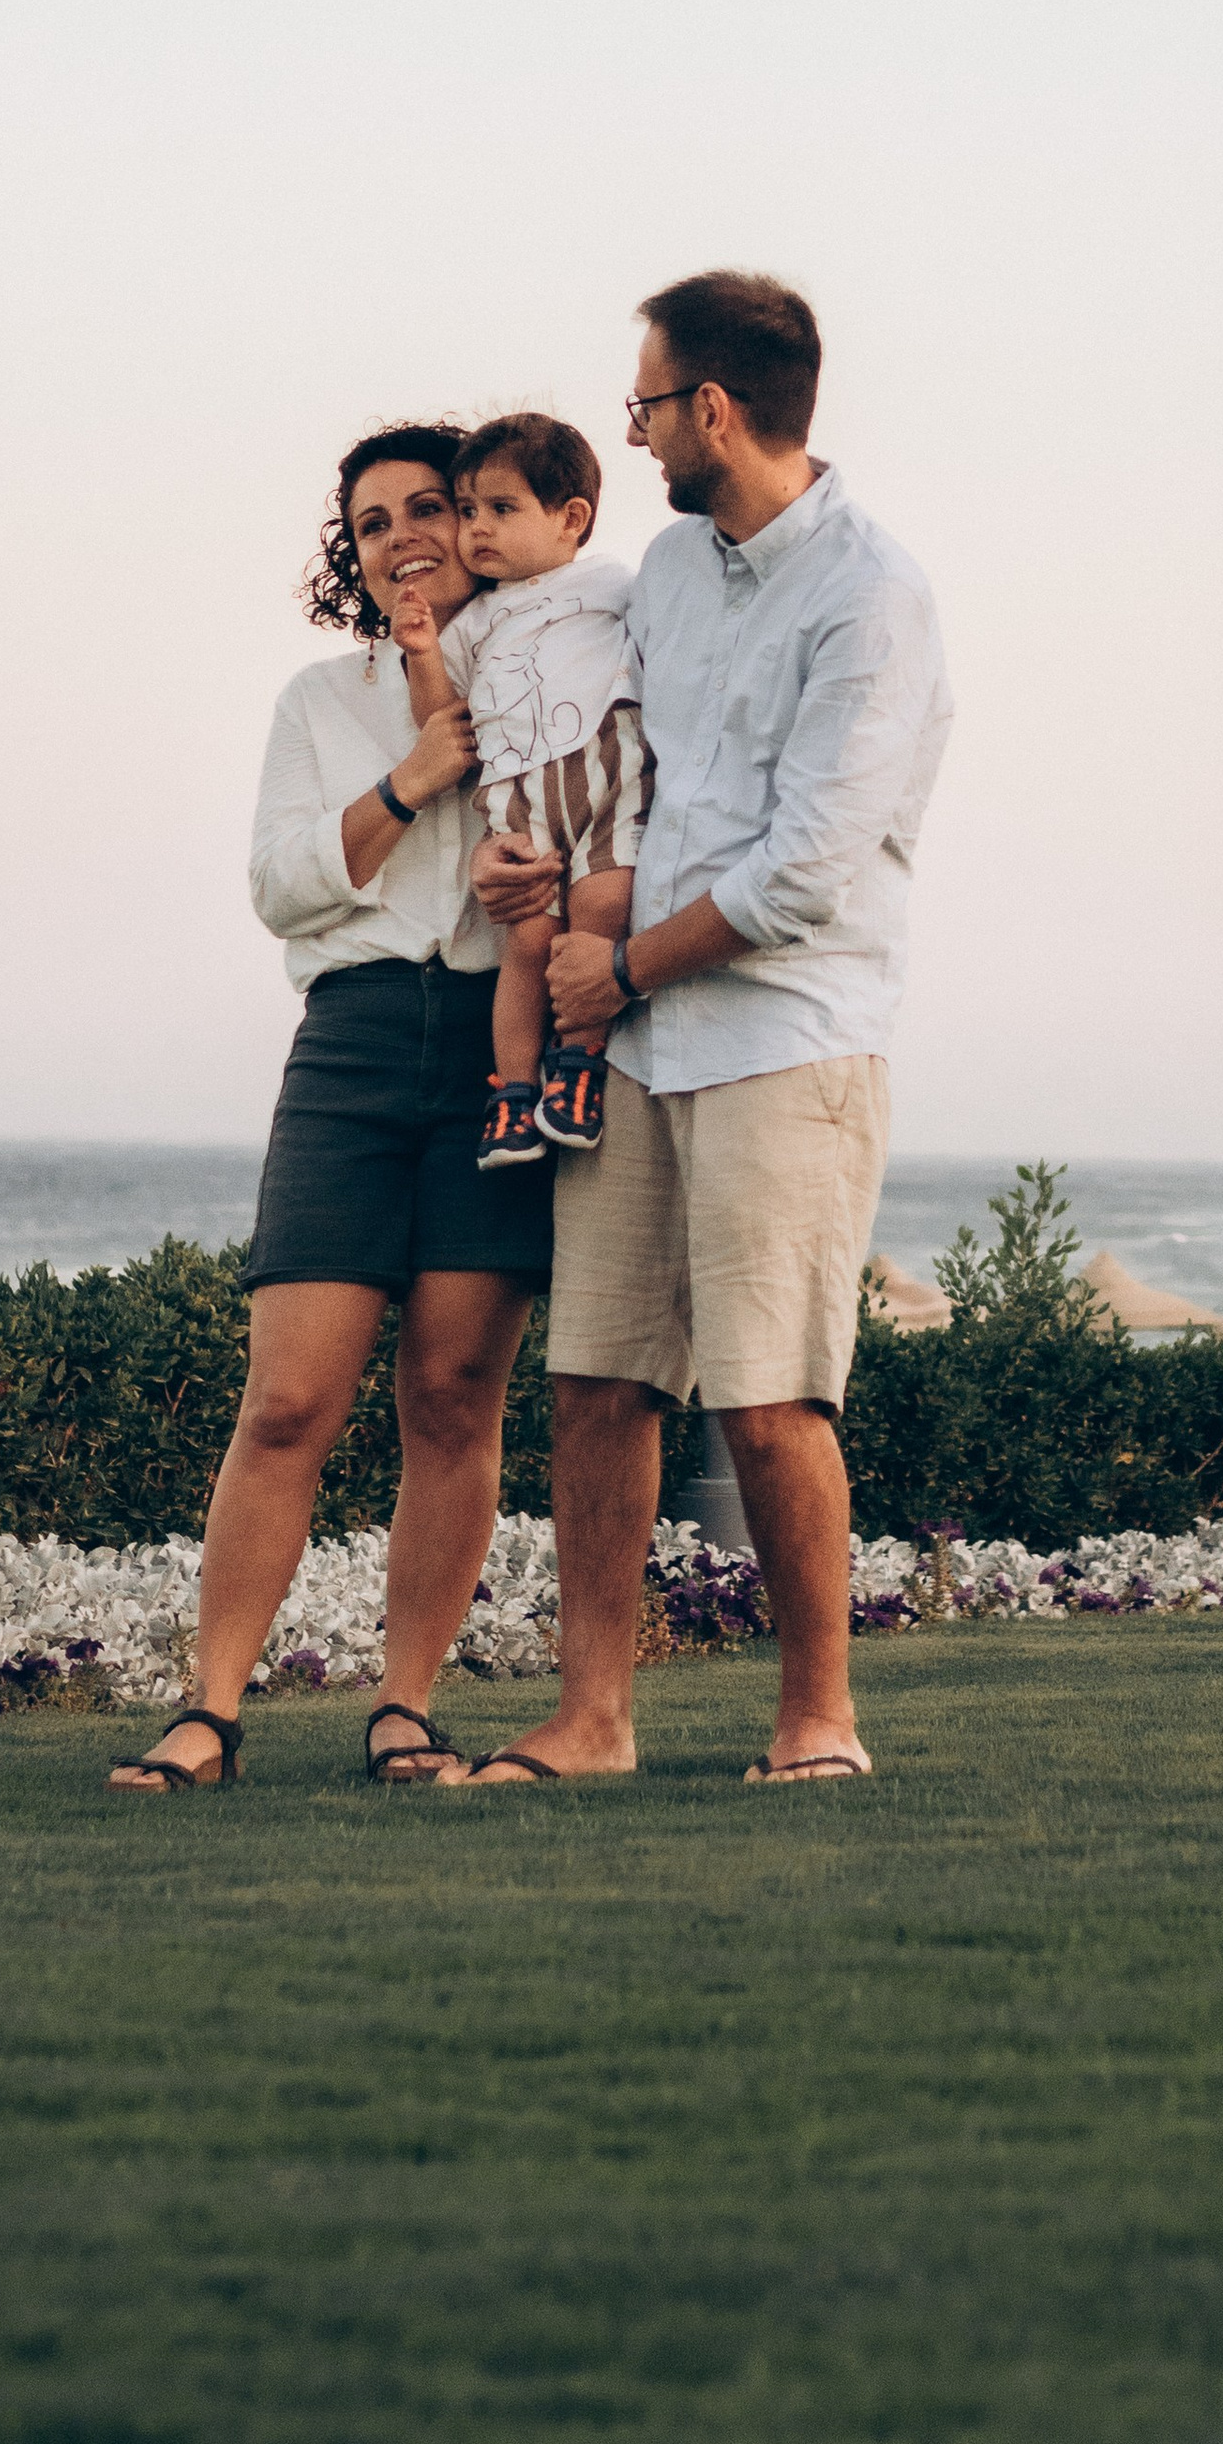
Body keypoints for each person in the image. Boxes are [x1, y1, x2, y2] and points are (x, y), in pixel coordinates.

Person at [449, 271, 950, 1790]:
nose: (638, 427)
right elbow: (625, 770)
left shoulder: (872, 597)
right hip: (641, 1041)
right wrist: (531, 865)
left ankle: (818, 1720)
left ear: (711, 410)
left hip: (783, 1041)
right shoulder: (663, 574)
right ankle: (592, 1720)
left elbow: (809, 868)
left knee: (771, 1393)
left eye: (648, 401)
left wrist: (624, 971)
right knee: (597, 1383)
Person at [106, 423, 557, 1795]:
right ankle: (211, 1711)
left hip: (499, 1037)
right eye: (373, 522)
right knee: (292, 1398)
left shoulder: (555, 684)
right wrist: (413, 772)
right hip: (353, 1046)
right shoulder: (319, 698)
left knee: (452, 1393)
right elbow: (288, 889)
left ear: (483, 525)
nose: (407, 535)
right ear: (348, 554)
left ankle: (405, 1706)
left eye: (433, 507)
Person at [392, 413, 647, 1173]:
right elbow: (440, 718)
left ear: (572, 519)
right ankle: (513, 1092)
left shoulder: (613, 583)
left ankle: (578, 1068)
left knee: (602, 911)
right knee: (528, 945)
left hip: (605, 778)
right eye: (468, 510)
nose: (477, 530)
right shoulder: (475, 620)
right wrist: (422, 653)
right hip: (520, 801)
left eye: (501, 509)